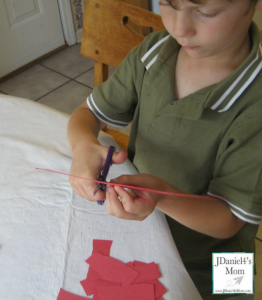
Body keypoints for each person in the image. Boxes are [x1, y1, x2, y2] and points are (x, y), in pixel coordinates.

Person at [67, 0, 262, 299]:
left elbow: (229, 220)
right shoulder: (154, 53)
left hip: (219, 260)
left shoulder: (255, 107)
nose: (180, 29)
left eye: (205, 12)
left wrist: (161, 196)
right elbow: (88, 114)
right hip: (148, 230)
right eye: (168, 4)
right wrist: (83, 146)